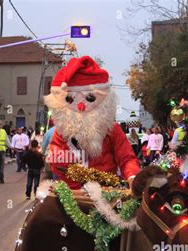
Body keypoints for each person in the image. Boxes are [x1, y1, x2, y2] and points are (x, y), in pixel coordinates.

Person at [44, 56, 140, 189]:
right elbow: (58, 164)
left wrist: (132, 176)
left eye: (90, 98)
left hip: (108, 192)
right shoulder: (61, 133)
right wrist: (78, 186)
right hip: (72, 195)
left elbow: (127, 158)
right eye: (71, 100)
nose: (81, 106)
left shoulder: (111, 129)